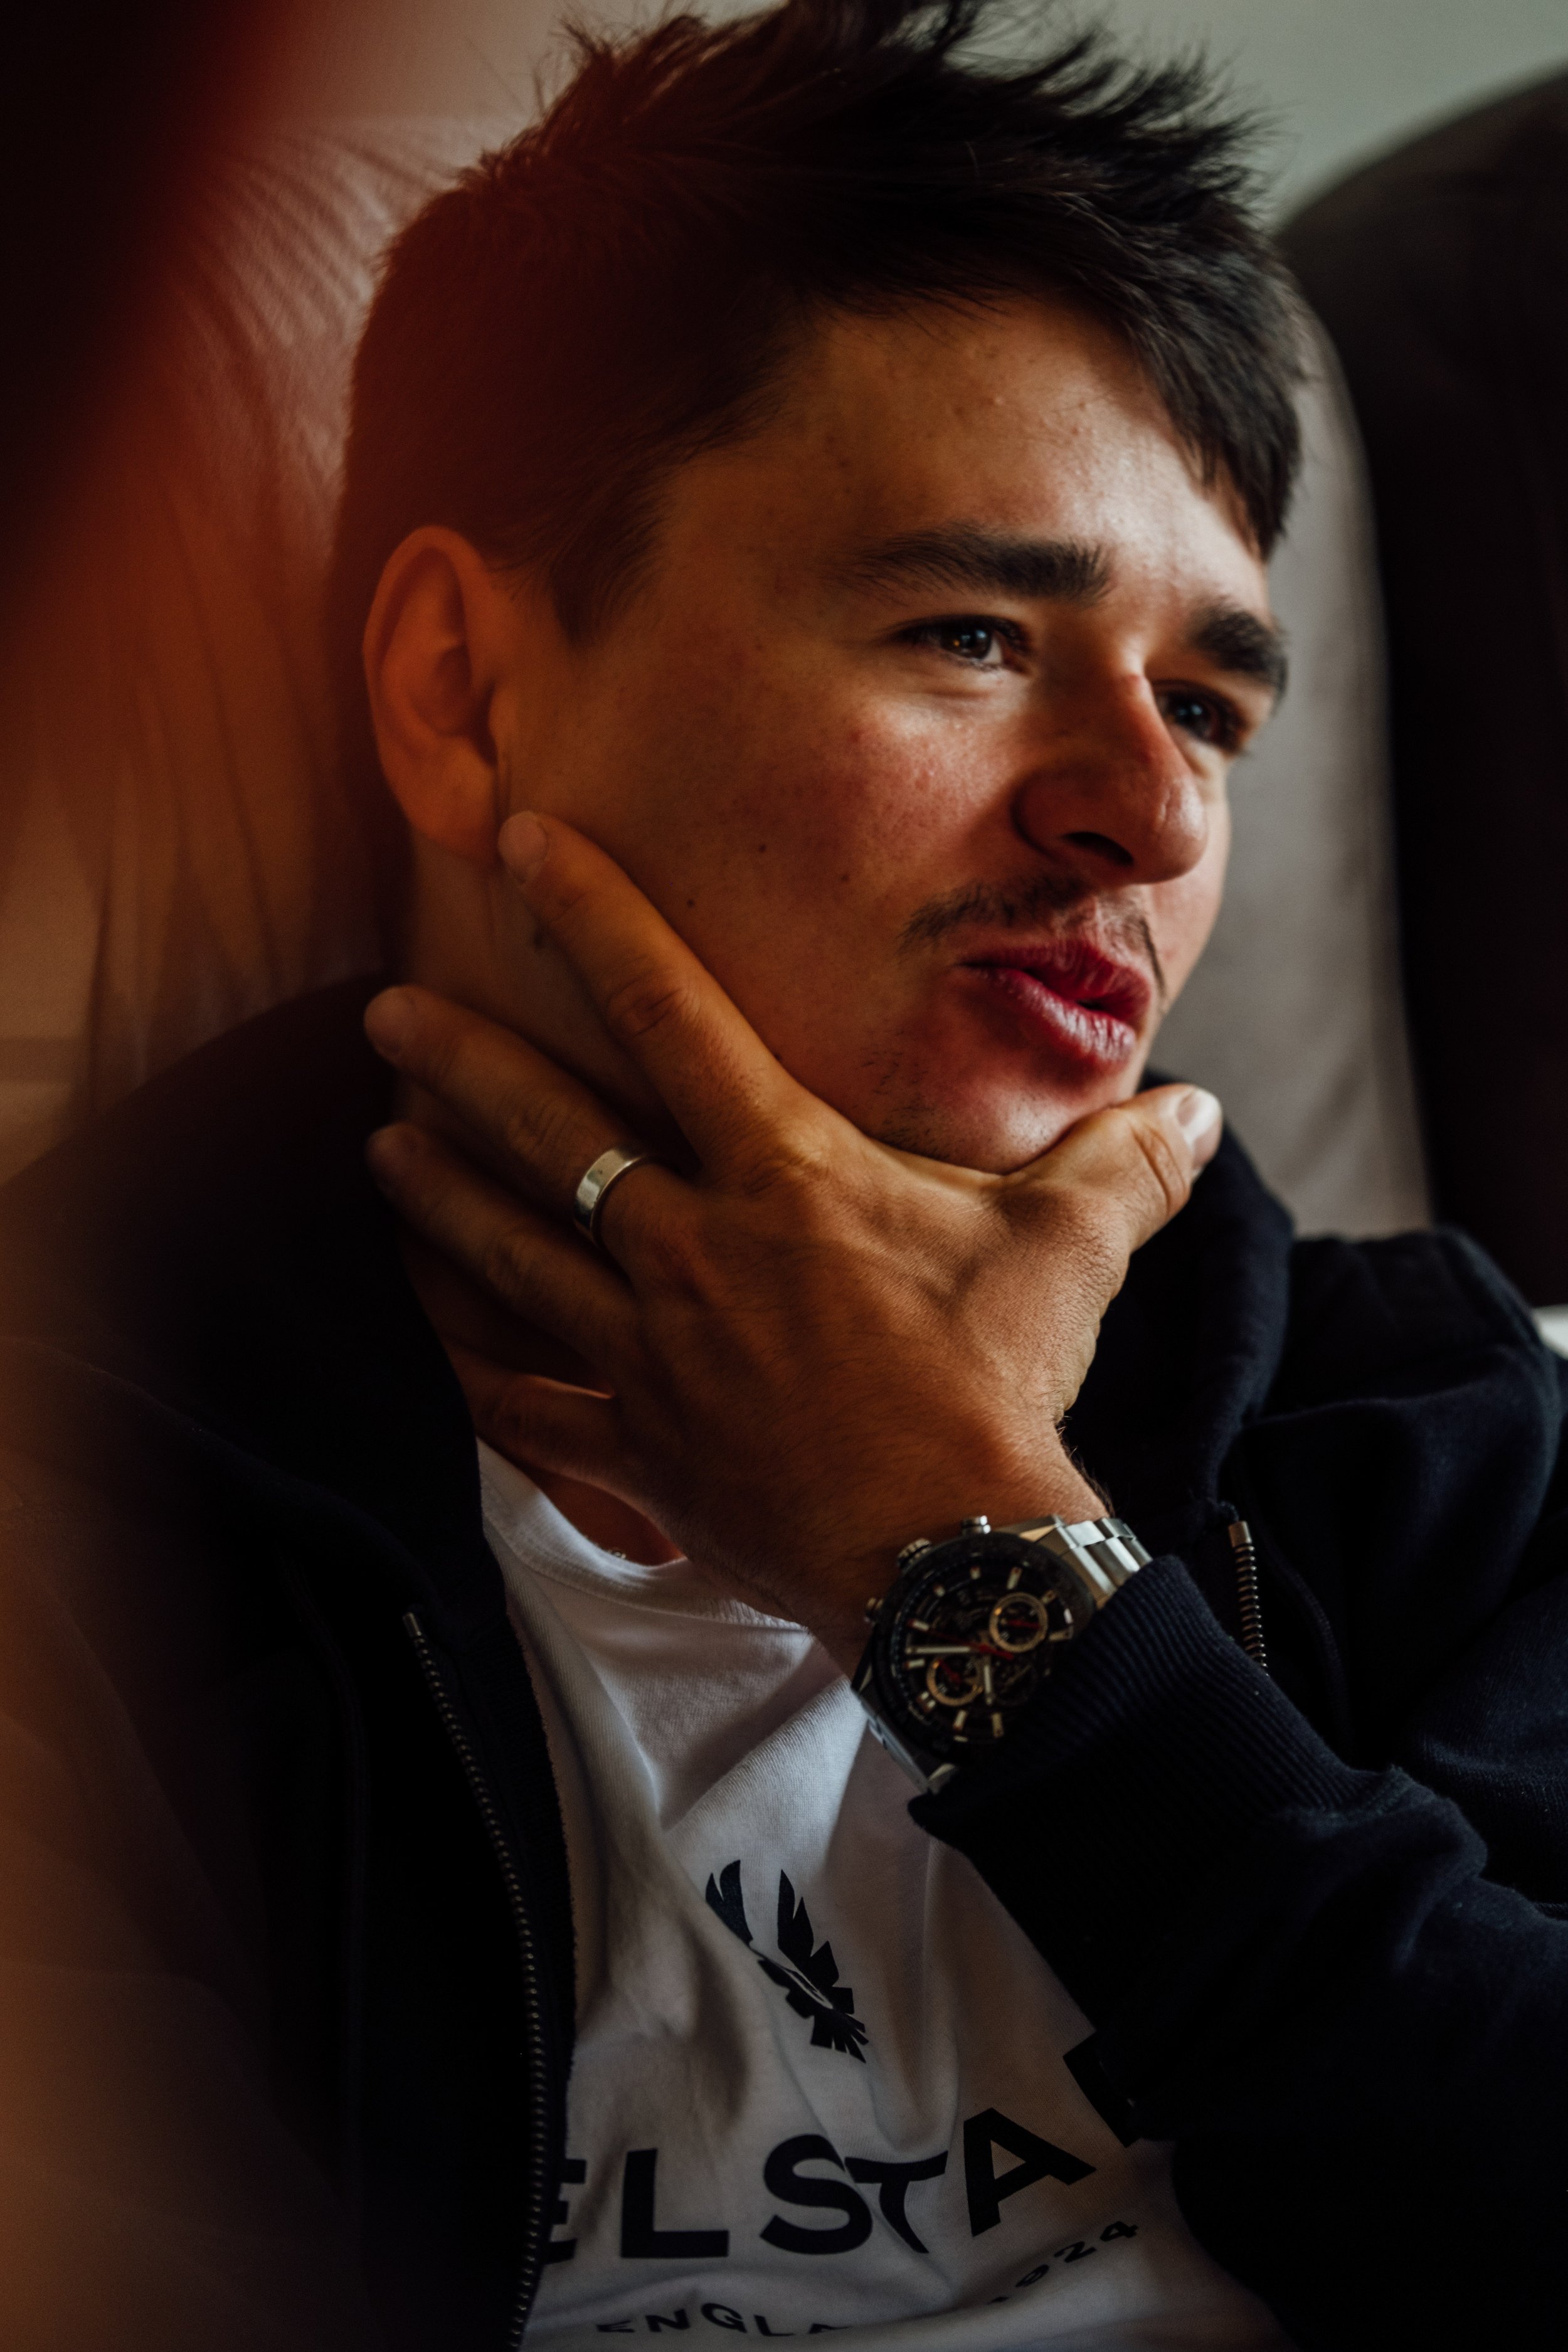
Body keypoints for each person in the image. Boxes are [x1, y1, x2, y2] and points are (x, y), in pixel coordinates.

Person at [0, 4, 1562, 2348]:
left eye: (1208, 704)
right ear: (457, 688)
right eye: (973, 634)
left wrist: (973, 1571)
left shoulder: (1429, 1433)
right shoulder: (72, 1521)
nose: (1148, 817)